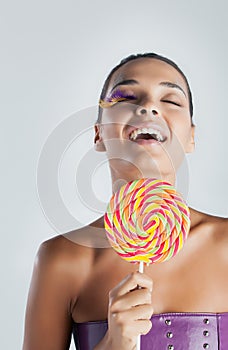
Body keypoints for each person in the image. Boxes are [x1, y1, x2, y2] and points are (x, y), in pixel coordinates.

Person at [22, 53, 228, 350]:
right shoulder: (60, 260)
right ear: (99, 134)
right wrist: (114, 343)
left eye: (170, 100)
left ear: (191, 138)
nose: (147, 107)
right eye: (126, 98)